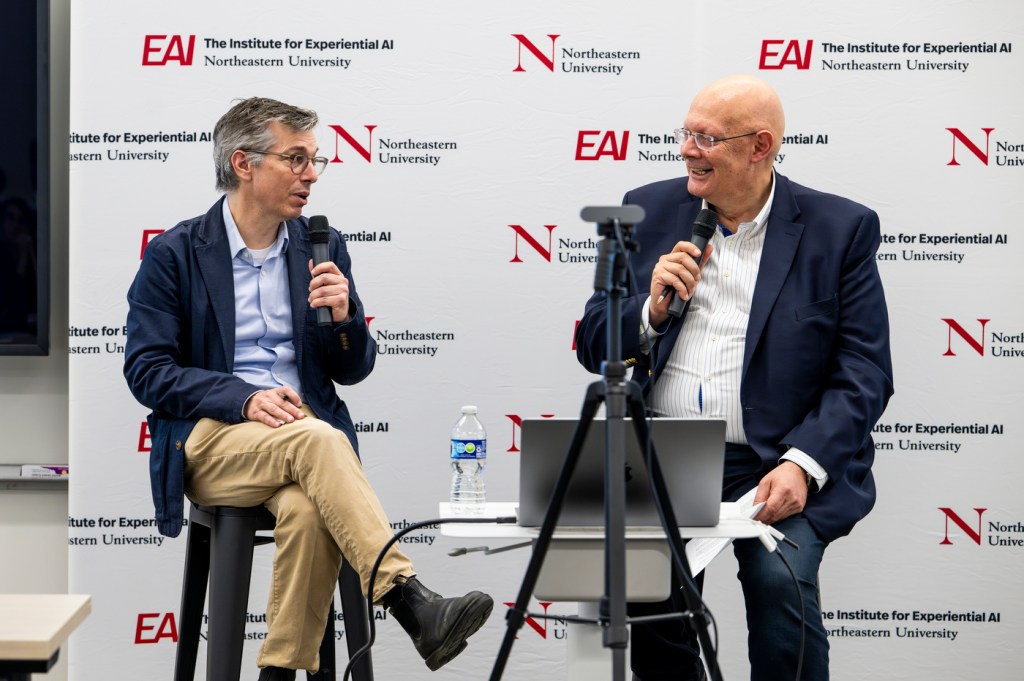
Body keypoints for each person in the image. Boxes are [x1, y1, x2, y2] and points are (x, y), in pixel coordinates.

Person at [124, 97, 493, 681]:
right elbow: (147, 371)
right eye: (296, 159)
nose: (312, 175)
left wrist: (344, 319)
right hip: (212, 441)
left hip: (303, 446)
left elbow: (353, 371)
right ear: (243, 164)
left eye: (315, 160)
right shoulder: (175, 254)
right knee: (319, 441)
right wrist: (242, 398)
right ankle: (407, 598)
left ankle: (277, 672)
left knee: (309, 509)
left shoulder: (321, 247)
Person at [574, 75, 894, 681]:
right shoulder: (645, 208)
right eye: (686, 133)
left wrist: (804, 463)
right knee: (641, 593)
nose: (688, 150)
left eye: (707, 138)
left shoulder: (839, 229)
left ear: (760, 145)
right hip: (658, 453)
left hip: (774, 457)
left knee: (781, 586)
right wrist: (649, 310)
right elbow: (593, 340)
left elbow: (865, 369)